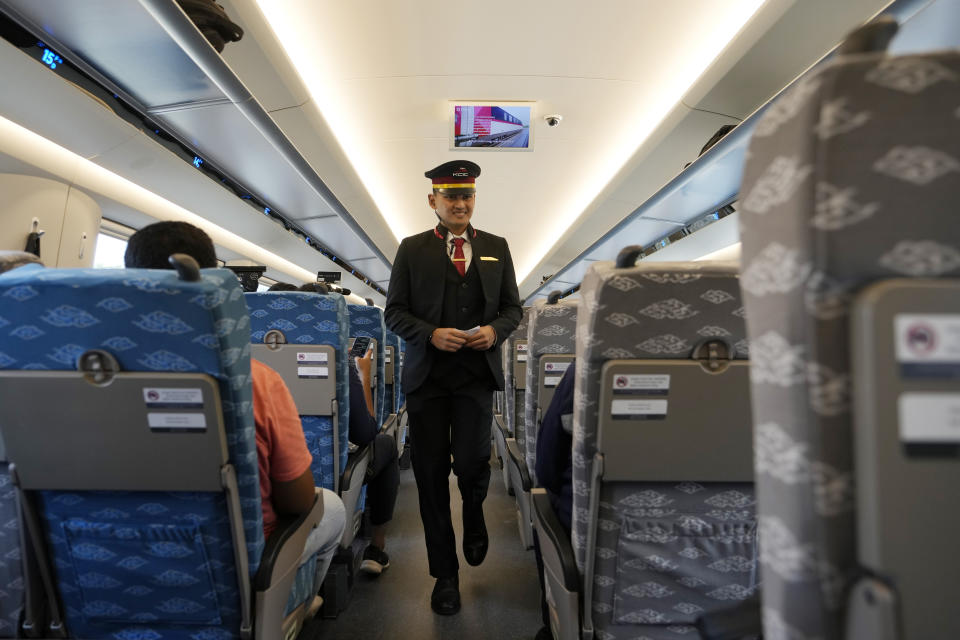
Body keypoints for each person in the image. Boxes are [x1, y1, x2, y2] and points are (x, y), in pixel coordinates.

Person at [124, 220, 346, 600]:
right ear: (214, 285)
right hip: (236, 568)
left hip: (113, 564)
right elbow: (298, 501)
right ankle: (293, 605)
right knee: (334, 508)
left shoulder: (64, 379)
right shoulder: (256, 379)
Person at [384, 160, 522, 615]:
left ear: (473, 200)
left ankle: (476, 511)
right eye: (451, 197)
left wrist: (495, 331)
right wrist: (429, 333)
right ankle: (445, 575)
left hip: (475, 376)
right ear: (433, 202)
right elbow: (394, 313)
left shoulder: (497, 247)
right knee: (429, 476)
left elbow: (512, 309)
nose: (460, 204)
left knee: (470, 463)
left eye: (467, 196)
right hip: (427, 380)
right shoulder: (412, 249)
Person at [297, 283, 400, 576]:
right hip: (331, 473)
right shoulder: (340, 363)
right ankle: (376, 546)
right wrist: (363, 375)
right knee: (386, 445)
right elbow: (364, 433)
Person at [532, 364, 575, 640]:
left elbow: (546, 467)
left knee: (544, 501)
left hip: (589, 540)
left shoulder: (585, 370)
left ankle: (553, 622)